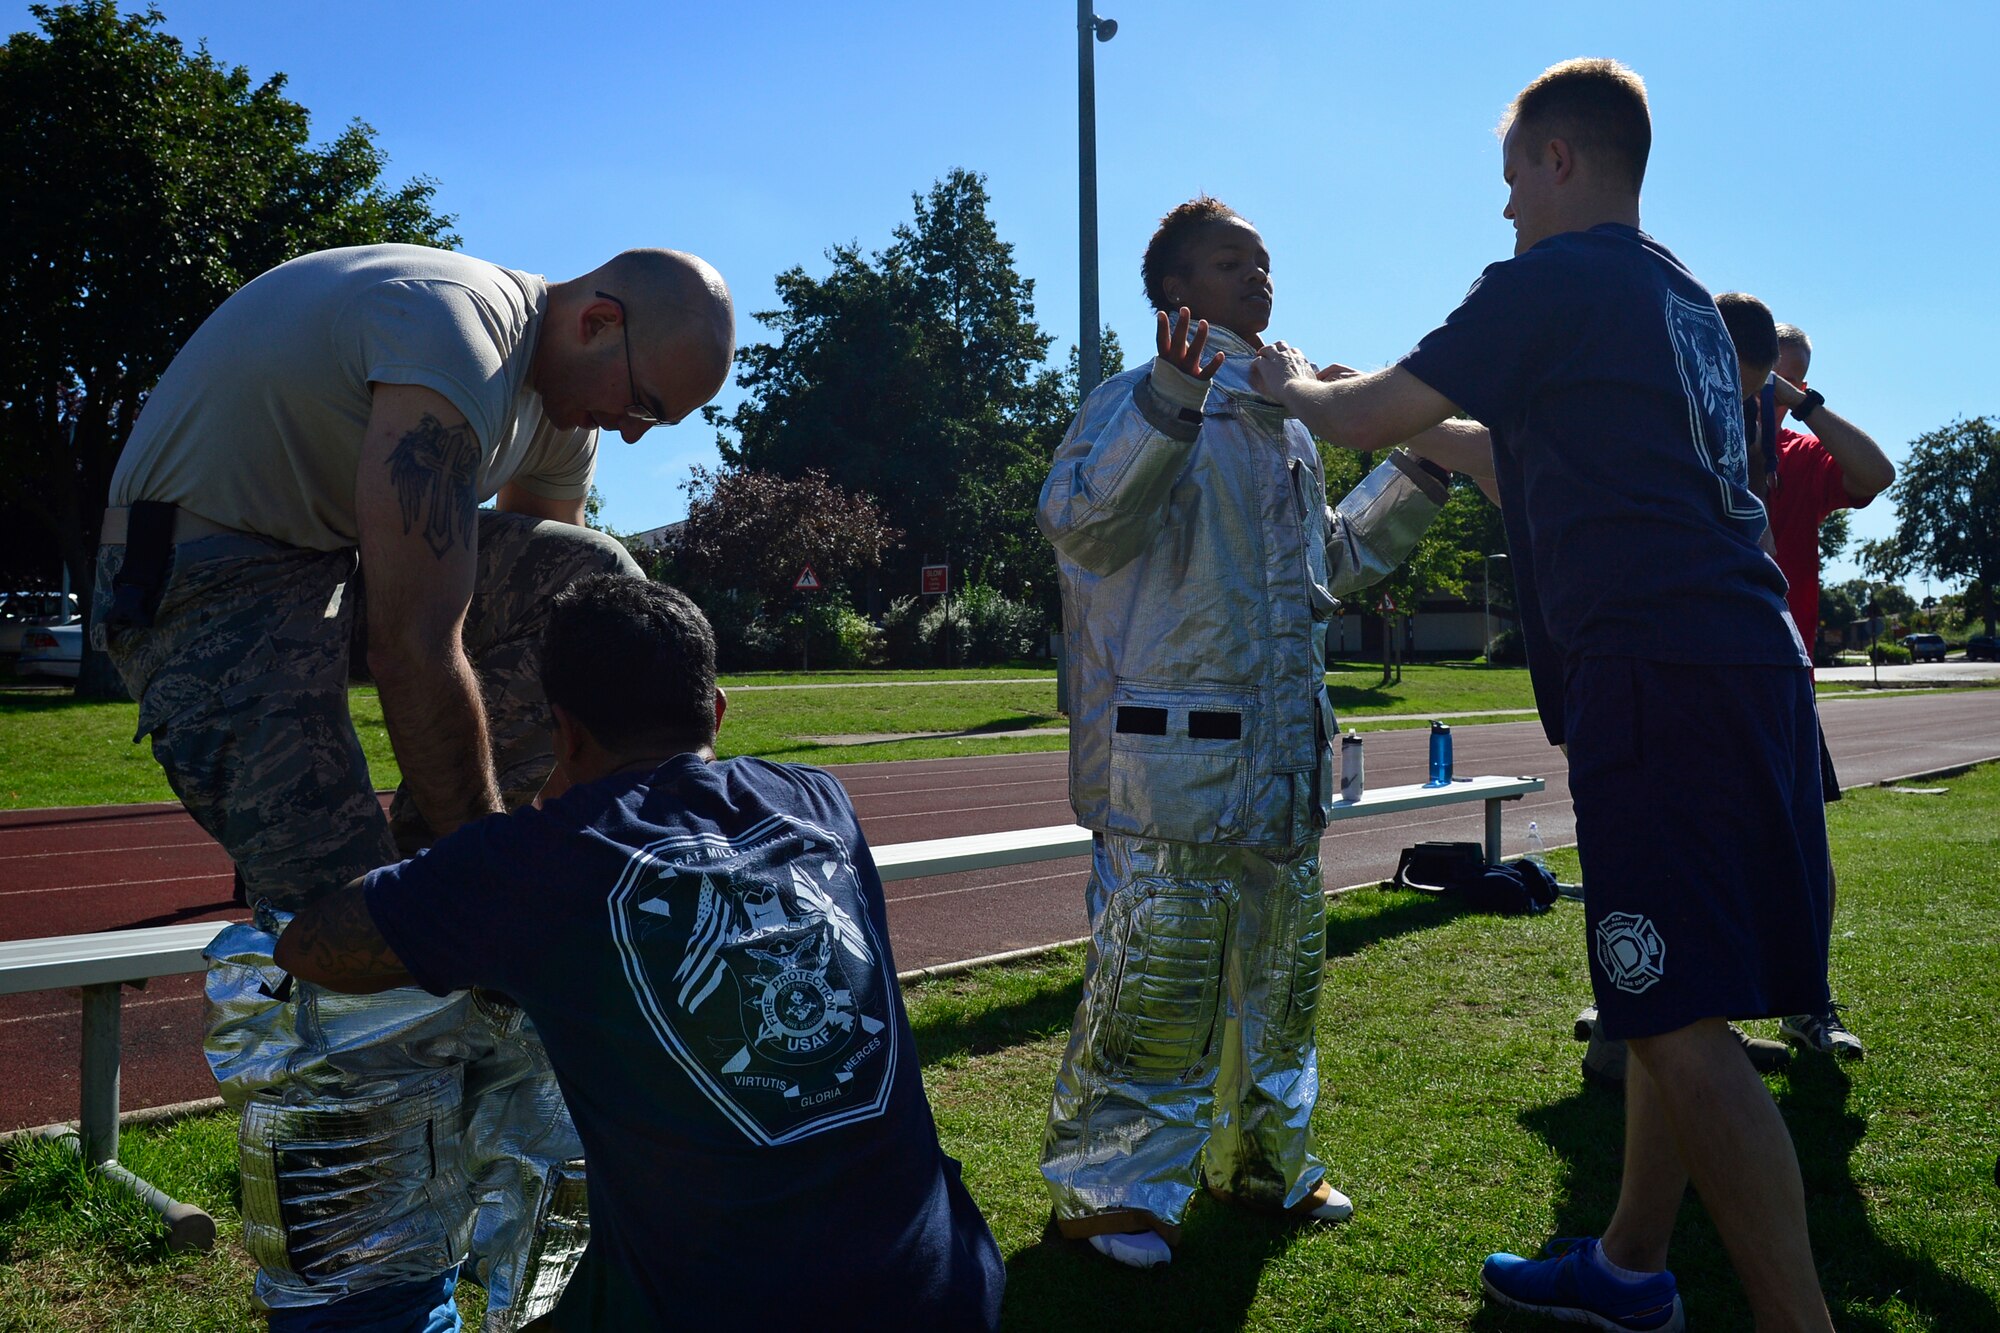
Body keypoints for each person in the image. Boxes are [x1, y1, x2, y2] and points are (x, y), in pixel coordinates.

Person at [1250, 59, 1835, 1331]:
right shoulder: (1674, 296)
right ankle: (1628, 1265)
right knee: (1661, 990)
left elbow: (1354, 419)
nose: (1503, 207)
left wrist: (1289, 379)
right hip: (1750, 667)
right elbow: (1518, 461)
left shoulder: (1545, 279)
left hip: (1655, 676)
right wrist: (1411, 422)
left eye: (1511, 175)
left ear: (1559, 159)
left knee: (1673, 1017)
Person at [90, 243, 734, 1329]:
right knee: (352, 924)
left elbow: (553, 628)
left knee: (597, 582)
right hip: (210, 566)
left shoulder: (562, 408)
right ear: (596, 322)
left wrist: (544, 842)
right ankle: (371, 1288)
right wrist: (488, 886)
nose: (634, 433)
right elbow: (413, 638)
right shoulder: (454, 340)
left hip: (334, 551)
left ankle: (523, 910)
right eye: (643, 405)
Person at [276, 576, 1005, 1331]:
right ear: (716, 709)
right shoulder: (819, 801)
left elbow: (310, 946)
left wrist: (511, 834)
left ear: (565, 731)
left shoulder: (540, 862)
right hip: (944, 1287)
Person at [1037, 196, 1453, 1269]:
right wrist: (1171, 403)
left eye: (1262, 264)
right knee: (1158, 974)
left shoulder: (1288, 416)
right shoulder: (1129, 401)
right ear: (1175, 291)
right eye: (1230, 264)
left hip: (1276, 755)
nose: (1256, 280)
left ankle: (1265, 1162)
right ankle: (1112, 1189)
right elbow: (1082, 523)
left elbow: (1331, 565)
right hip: (1168, 755)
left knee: (1279, 978)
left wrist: (1412, 476)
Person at [1720, 304, 1893, 1061]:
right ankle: (1663, 1008)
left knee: (1803, 850)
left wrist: (1800, 405)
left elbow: (1876, 474)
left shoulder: (1797, 451)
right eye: (1759, 369)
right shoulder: (1694, 440)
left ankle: (1807, 1003)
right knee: (1689, 843)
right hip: (1701, 669)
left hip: (1784, 675)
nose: (1765, 387)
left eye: (1783, 374)